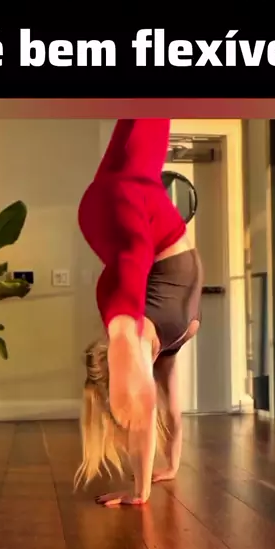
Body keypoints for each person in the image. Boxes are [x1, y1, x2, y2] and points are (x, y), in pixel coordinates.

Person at [75, 119, 203, 507]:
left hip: (182, 287)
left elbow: (163, 414)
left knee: (137, 160)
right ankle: (121, 328)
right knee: (128, 263)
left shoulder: (157, 344)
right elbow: (145, 417)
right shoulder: (144, 340)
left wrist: (168, 469)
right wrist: (140, 492)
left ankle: (122, 328)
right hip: (160, 255)